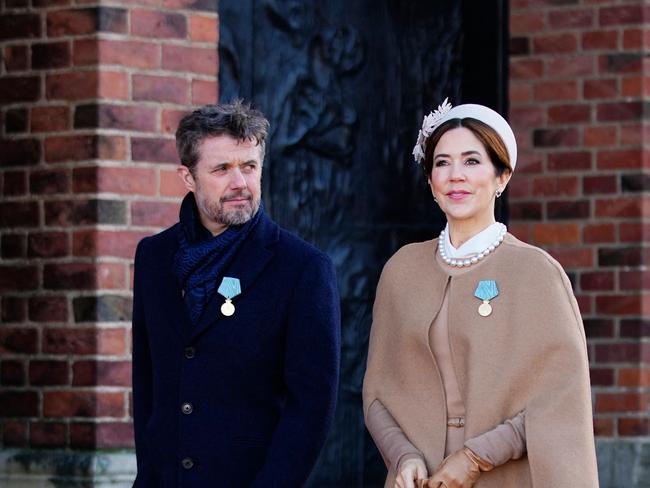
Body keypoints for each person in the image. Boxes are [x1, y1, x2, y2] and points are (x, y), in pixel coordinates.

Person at [363, 99, 599, 488]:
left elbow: (560, 398)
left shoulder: (536, 273)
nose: (456, 175)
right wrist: (402, 455)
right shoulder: (401, 270)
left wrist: (474, 459)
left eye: (472, 161)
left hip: (504, 476)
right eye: (442, 162)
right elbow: (377, 395)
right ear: (429, 179)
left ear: (502, 176)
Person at [131, 100, 341, 487]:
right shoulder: (153, 257)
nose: (240, 183)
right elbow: (147, 385)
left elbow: (311, 407)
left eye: (249, 166)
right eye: (222, 169)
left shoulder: (302, 268)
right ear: (188, 177)